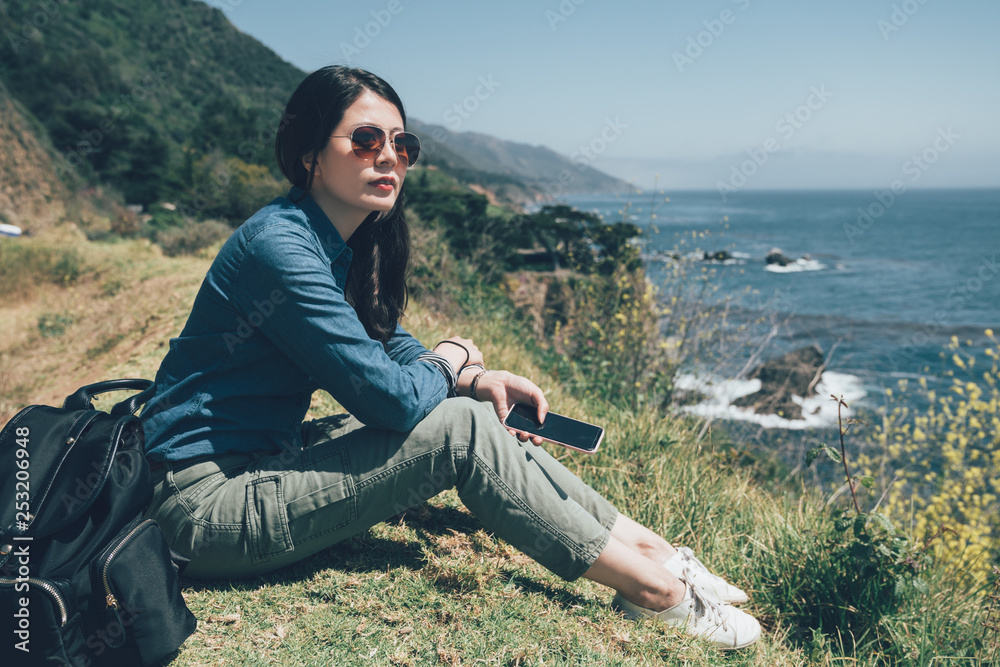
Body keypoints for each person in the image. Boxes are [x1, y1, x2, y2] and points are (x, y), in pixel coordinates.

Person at [141, 65, 761, 651]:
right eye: (364, 140)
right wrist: (446, 364)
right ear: (308, 154)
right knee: (460, 429)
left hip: (264, 461)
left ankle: (653, 549)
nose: (388, 157)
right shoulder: (281, 247)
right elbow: (387, 396)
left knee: (475, 410)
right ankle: (656, 593)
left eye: (401, 143)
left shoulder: (333, 240)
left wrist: (470, 375)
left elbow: (384, 338)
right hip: (203, 506)